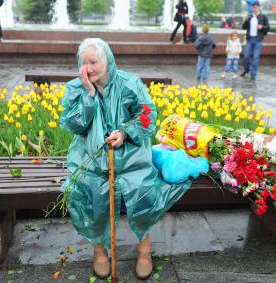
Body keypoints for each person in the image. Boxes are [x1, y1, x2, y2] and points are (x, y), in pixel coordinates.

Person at [59, 38, 192, 280]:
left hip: (131, 159)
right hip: (91, 160)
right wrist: (89, 95)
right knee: (89, 196)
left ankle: (144, 252)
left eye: (94, 62)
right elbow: (74, 125)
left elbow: (147, 116)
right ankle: (99, 252)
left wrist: (125, 132)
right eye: (84, 62)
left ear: (107, 60)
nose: (88, 68)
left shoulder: (129, 83)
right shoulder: (76, 88)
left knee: (143, 193)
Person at [240, 1, 269, 80]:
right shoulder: (249, 17)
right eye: (253, 8)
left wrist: (262, 27)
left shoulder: (263, 17)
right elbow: (243, 27)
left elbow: (268, 27)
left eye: (256, 7)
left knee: (256, 57)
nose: (254, 9)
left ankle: (253, 74)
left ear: (259, 7)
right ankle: (246, 70)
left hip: (258, 40)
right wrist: (245, 20)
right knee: (246, 57)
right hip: (249, 39)